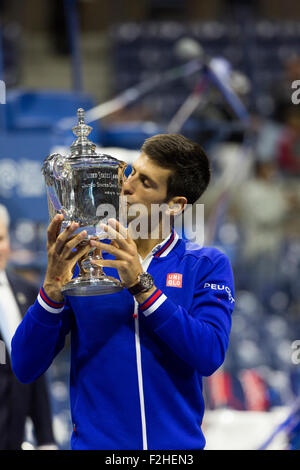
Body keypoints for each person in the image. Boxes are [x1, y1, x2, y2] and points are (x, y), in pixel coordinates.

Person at [11, 134, 235, 450]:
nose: (127, 186)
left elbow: (209, 354)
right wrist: (50, 290)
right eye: (131, 173)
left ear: (175, 205)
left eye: (145, 182)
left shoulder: (206, 264)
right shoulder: (86, 262)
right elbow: (24, 365)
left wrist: (143, 288)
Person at [0, 204, 56, 450]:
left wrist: (46, 439)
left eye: (0, 238)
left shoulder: (26, 290)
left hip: (17, 437)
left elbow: (35, 367)